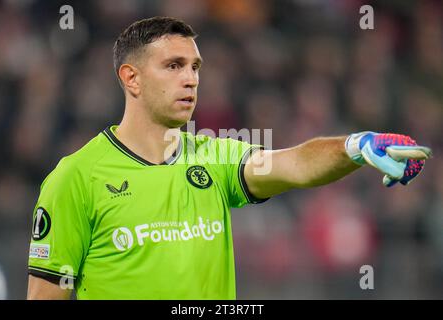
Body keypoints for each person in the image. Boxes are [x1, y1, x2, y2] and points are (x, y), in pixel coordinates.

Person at [27, 16, 431, 300]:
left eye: (195, 67)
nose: (191, 79)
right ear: (131, 78)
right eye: (173, 66)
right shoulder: (76, 177)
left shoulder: (214, 156)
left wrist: (355, 148)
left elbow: (296, 164)